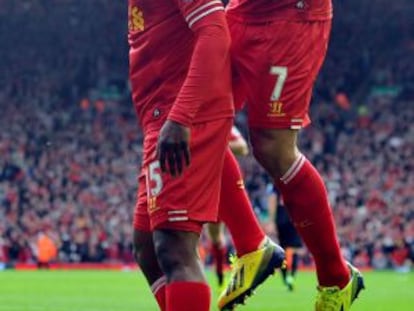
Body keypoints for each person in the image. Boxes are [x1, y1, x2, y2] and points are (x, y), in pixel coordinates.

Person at [128, 1, 284, 311]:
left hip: (182, 112)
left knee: (175, 246)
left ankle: (251, 241)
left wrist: (182, 116)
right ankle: (251, 240)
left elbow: (214, 31)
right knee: (146, 247)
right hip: (162, 116)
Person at [219, 0, 365, 310]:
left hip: (288, 13)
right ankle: (251, 246)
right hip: (240, 11)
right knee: (196, 129)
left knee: (273, 147)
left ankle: (335, 278)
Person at [206, 126, 249, 288]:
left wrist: (212, 144)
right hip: (201, 186)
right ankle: (218, 274)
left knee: (239, 231)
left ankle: (242, 275)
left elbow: (243, 147)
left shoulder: (222, 123)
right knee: (214, 237)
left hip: (224, 187)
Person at [267, 186, 303, 291]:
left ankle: (286, 278)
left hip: (281, 219)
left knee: (284, 249)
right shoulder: (294, 181)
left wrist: (272, 220)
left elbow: (272, 200)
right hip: (293, 218)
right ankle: (290, 276)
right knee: (293, 249)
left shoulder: (276, 185)